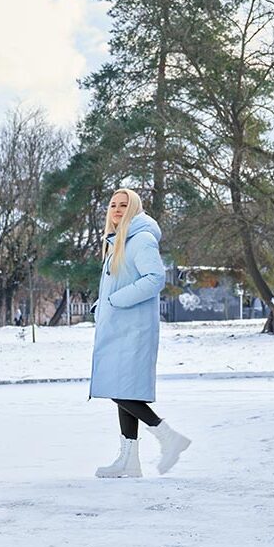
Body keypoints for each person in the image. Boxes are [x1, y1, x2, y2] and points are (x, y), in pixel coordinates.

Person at [90, 189, 191, 478]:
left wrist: (116, 301)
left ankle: (168, 436)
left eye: (124, 205)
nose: (118, 210)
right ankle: (129, 461)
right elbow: (120, 281)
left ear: (135, 209)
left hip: (132, 331)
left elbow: (155, 278)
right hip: (118, 328)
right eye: (113, 205)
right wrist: (103, 305)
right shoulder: (119, 241)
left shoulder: (142, 240)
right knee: (122, 390)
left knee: (119, 390)